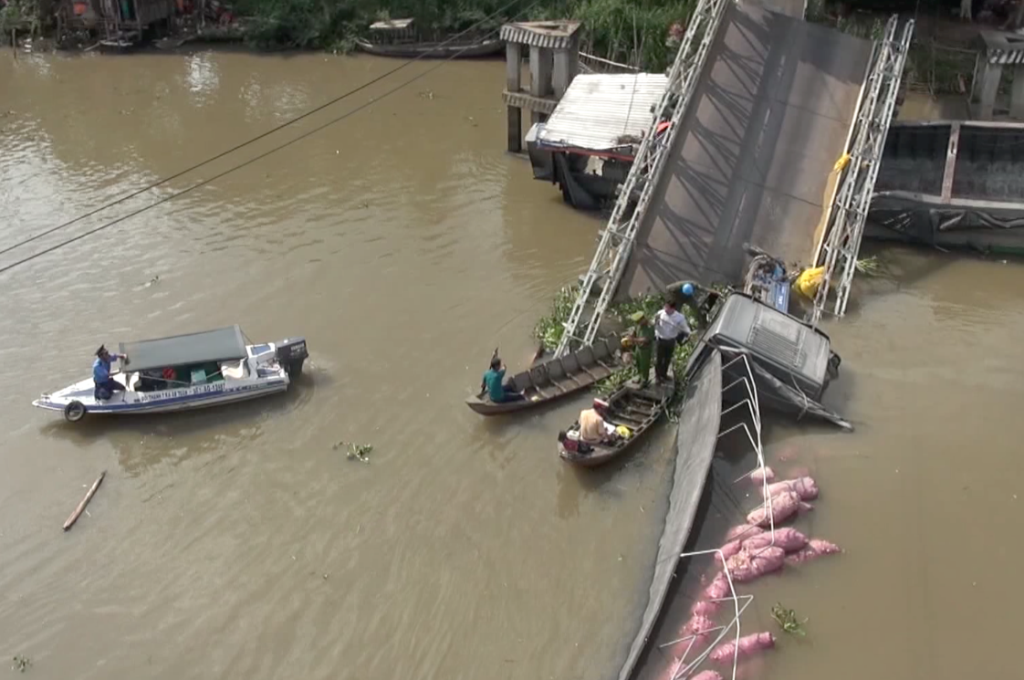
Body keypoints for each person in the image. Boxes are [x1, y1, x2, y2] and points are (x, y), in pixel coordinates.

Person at [654, 299, 691, 383]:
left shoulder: (679, 317)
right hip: (660, 340)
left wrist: (689, 333)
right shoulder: (660, 314)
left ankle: (664, 374)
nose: (665, 309)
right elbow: (654, 324)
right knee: (659, 359)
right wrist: (656, 322)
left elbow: (685, 327)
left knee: (667, 359)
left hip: (671, 341)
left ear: (673, 309)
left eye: (667, 307)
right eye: (665, 306)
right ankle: (657, 376)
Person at [624, 311, 655, 387]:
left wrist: (633, 340)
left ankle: (644, 380)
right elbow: (635, 331)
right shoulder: (639, 325)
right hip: (638, 347)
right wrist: (631, 335)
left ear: (643, 319)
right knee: (638, 363)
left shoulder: (649, 326)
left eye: (638, 322)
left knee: (644, 365)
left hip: (645, 349)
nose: (637, 323)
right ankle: (639, 376)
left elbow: (646, 339)